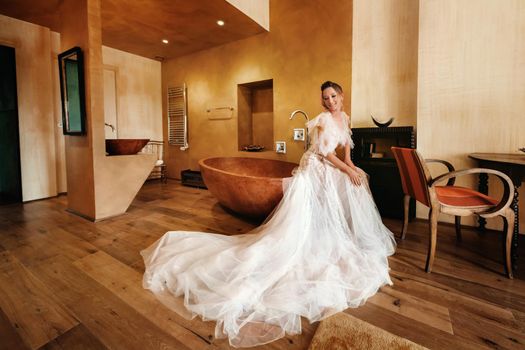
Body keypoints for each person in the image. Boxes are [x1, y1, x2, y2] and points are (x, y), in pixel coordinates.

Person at [141, 81, 396, 348]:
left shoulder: (344, 117)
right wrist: (345, 170)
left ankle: (335, 233)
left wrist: (353, 168)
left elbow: (346, 151)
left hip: (331, 165)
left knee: (358, 182)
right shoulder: (321, 121)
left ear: (341, 96)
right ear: (322, 101)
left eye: (333, 96)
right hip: (316, 165)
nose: (330, 101)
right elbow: (325, 153)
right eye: (326, 97)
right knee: (323, 202)